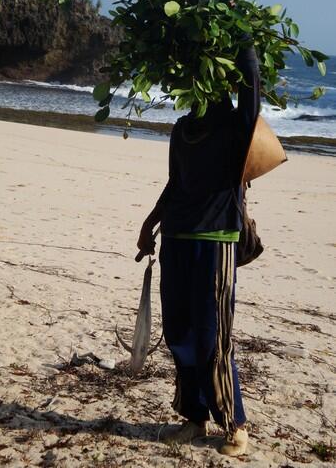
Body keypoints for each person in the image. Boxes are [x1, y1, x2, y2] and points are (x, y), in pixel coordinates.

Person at [136, 39, 260, 456]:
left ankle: (234, 422)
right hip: (176, 238)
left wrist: (243, 45)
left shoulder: (234, 127)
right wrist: (151, 222)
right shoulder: (182, 129)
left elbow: (252, 103)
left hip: (215, 241)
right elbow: (175, 182)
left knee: (213, 338)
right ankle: (194, 417)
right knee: (181, 334)